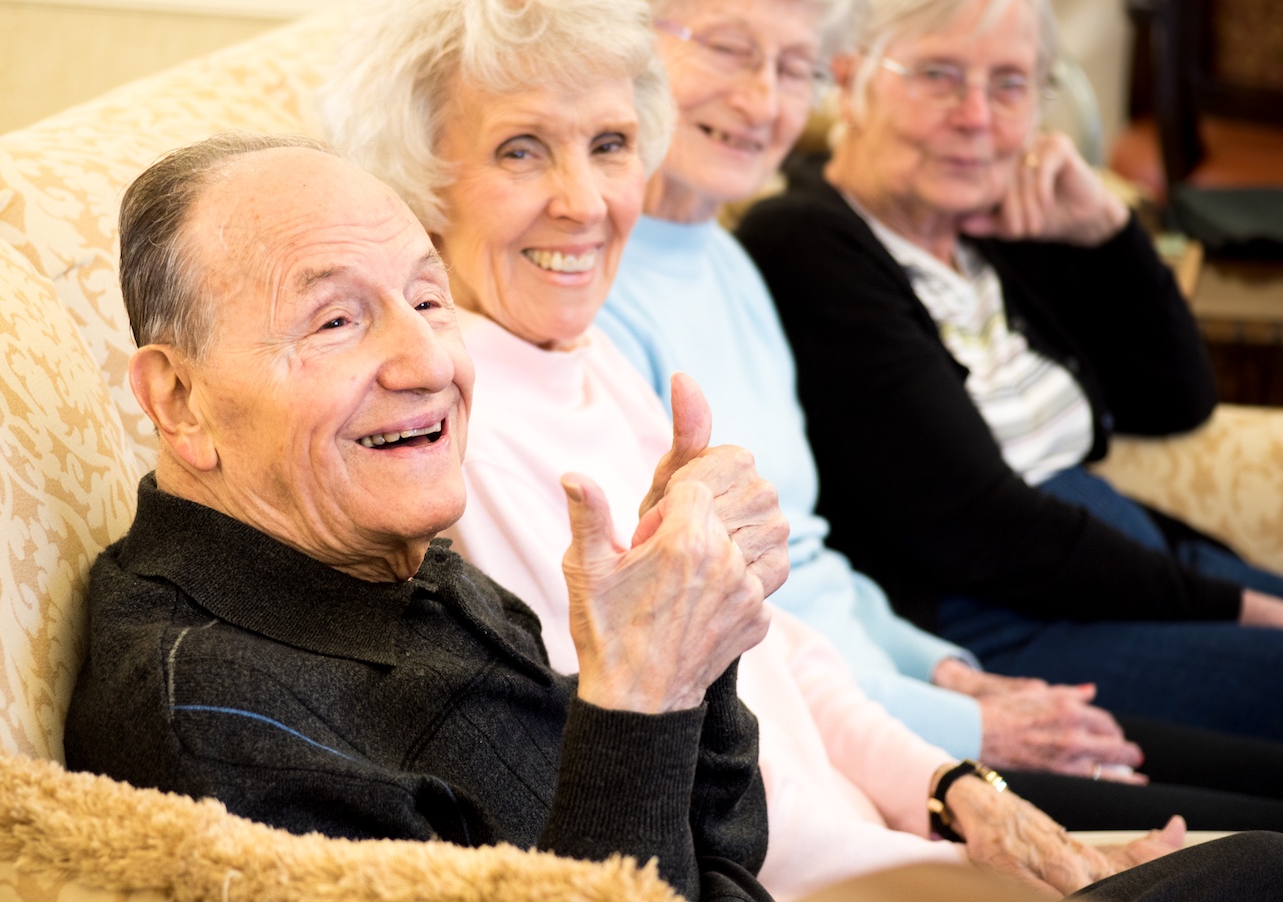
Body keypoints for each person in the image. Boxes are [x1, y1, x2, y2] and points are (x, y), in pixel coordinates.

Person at [314, 0, 1282, 898]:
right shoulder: (448, 436)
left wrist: (953, 788)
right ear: (421, 180)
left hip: (886, 828)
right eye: (521, 151)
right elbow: (662, 781)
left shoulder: (586, 350)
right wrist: (934, 844)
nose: (583, 199)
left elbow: (770, 642)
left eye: (608, 144)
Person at [595, 0, 1283, 831]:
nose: (976, 119)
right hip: (960, 649)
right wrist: (958, 712)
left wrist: (1110, 233)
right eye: (940, 77)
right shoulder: (785, 250)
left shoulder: (742, 262)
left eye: (1010, 86)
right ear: (850, 87)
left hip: (935, 659)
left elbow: (1175, 397)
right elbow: (971, 533)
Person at [63, 133, 775, 902]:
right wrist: (642, 691)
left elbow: (723, 854)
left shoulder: (398, 564)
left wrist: (688, 629)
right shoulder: (217, 722)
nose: (431, 364)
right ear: (178, 398)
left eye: (429, 302)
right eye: (335, 321)